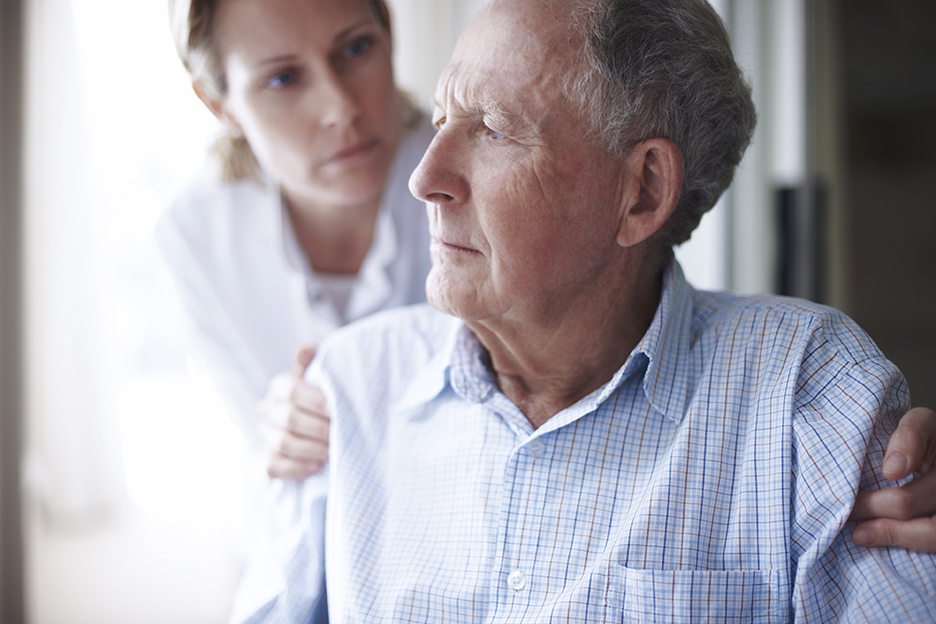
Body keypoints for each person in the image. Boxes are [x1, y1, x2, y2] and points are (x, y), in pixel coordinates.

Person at [230, 0, 936, 621]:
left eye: (494, 130)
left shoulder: (807, 395)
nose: (424, 179)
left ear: (643, 193)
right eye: (442, 120)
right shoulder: (344, 392)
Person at [157, 0, 433, 479]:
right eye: (283, 79)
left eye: (356, 48)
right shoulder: (193, 237)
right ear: (220, 105)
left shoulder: (483, 180)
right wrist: (278, 437)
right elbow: (261, 462)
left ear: (388, 29)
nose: (340, 108)